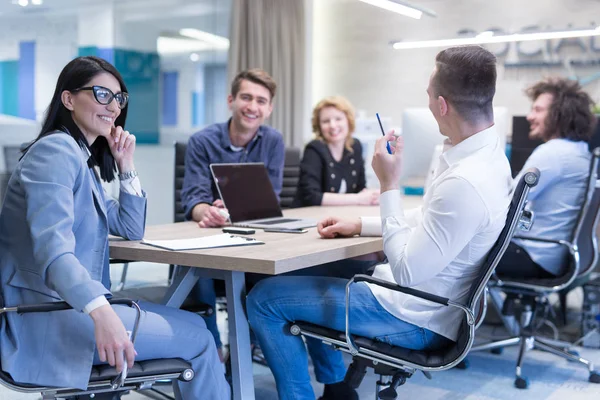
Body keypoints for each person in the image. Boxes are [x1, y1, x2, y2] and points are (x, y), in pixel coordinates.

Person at [246, 45, 513, 400]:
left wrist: (389, 184)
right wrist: (361, 223)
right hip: (428, 304)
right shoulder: (488, 156)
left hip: (413, 316)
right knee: (299, 278)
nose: (430, 104)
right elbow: (432, 219)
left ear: (443, 105)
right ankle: (337, 390)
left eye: (430, 96)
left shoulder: (465, 182)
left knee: (263, 298)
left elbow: (406, 271)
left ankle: (323, 390)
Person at [0, 56, 229, 400]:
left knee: (196, 326)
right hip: (50, 321)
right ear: (68, 99)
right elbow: (54, 252)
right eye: (101, 94)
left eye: (118, 98)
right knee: (199, 336)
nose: (113, 106)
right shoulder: (55, 152)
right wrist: (101, 312)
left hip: (67, 310)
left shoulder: (81, 158)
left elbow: (130, 227)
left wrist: (126, 165)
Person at [180, 68, 285, 360]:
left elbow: (271, 196)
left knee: (273, 271)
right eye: (246, 97)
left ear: (269, 108)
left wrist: (240, 209)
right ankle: (210, 349)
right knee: (195, 271)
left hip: (252, 234)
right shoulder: (202, 141)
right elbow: (192, 198)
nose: (253, 107)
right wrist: (207, 212)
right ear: (231, 100)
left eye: (261, 101)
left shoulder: (273, 141)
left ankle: (247, 348)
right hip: (208, 238)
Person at [496, 78, 596, 279]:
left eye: (538, 110)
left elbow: (507, 202)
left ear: (559, 114)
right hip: (557, 257)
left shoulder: (553, 153)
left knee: (461, 253)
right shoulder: (581, 151)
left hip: (535, 256)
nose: (530, 116)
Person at [293, 96, 379, 207]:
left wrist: (373, 196)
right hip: (309, 216)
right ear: (319, 126)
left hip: (341, 215)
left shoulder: (355, 146)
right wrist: (358, 199)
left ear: (348, 120)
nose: (333, 126)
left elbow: (360, 188)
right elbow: (311, 197)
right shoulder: (314, 149)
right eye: (326, 121)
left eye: (338, 119)